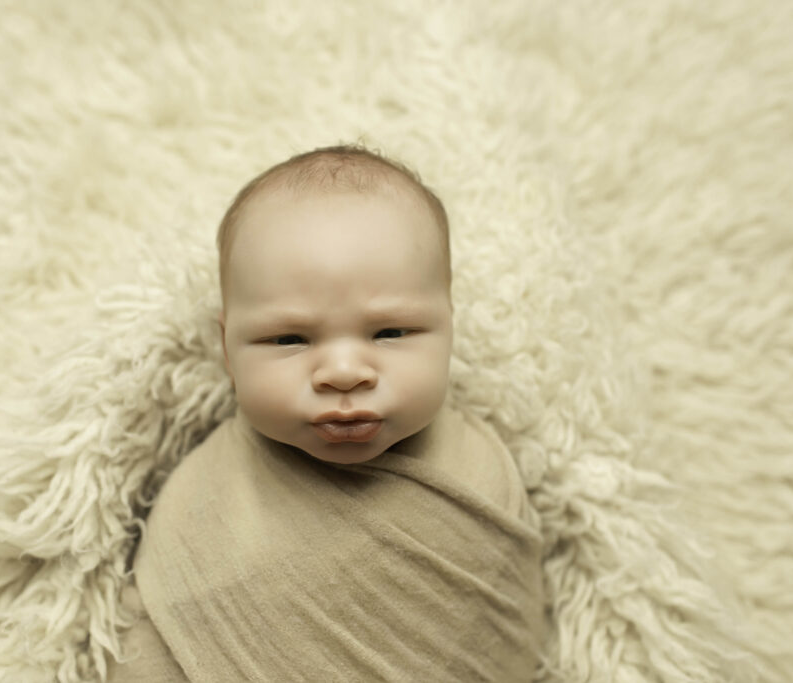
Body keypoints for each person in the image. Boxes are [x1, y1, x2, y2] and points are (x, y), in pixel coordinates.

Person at [107, 144, 544, 682]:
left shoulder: (484, 481)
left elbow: (512, 645)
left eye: (390, 333)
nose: (342, 372)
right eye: (288, 338)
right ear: (227, 349)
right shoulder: (200, 506)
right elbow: (148, 641)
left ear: (449, 326)